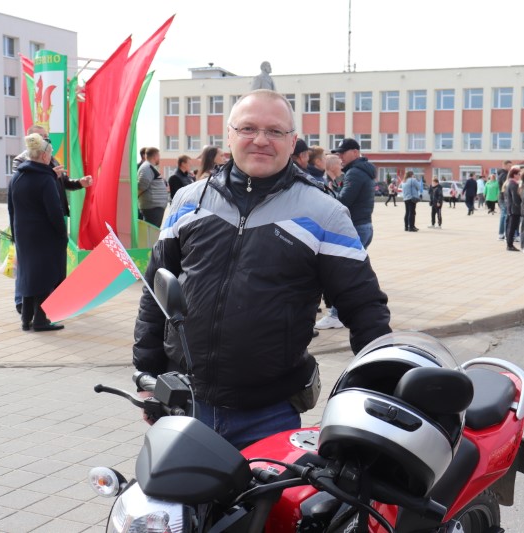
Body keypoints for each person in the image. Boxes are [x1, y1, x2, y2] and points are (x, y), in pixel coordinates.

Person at [133, 90, 391, 448]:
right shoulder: (188, 201)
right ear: (229, 135)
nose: (260, 140)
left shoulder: (325, 213)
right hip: (183, 402)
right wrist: (146, 375)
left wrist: (382, 386)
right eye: (248, 128)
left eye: (275, 131)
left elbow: (364, 308)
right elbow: (155, 291)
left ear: (292, 141)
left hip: (269, 414)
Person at [12, 124, 93, 314]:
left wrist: (79, 183)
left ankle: (49, 304)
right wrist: (49, 175)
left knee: (49, 264)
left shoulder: (51, 158)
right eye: (41, 136)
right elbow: (23, 186)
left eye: (46, 136)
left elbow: (63, 181)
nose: (45, 140)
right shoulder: (22, 160)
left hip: (53, 215)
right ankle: (23, 304)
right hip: (34, 221)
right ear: (31, 139)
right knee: (29, 266)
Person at [315, 138, 377, 330]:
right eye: (339, 153)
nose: (340, 156)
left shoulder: (355, 173)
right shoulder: (361, 171)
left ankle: (336, 315)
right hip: (363, 225)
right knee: (353, 273)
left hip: (354, 227)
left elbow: (343, 201)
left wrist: (327, 189)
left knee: (343, 274)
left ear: (356, 152)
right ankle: (357, 310)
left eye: (343, 152)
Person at [8, 133, 67, 332]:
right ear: (43, 156)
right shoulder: (45, 179)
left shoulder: (17, 177)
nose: (51, 157)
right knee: (45, 277)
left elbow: (11, 209)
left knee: (28, 275)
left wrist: (15, 235)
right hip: (44, 237)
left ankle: (26, 320)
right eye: (50, 154)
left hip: (23, 236)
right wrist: (62, 234)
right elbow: (55, 211)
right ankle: (41, 321)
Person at [138, 147, 168, 226]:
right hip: (152, 208)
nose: (159, 158)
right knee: (152, 231)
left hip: (154, 207)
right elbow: (142, 186)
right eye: (159, 156)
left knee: (153, 231)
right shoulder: (147, 167)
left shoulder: (149, 167)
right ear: (155, 156)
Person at [505, 167, 522, 251]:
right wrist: (521, 207)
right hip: (514, 209)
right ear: (514, 175)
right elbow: (515, 199)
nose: (520, 176)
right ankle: (510, 245)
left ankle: (510, 244)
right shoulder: (513, 184)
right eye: (519, 174)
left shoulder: (512, 183)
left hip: (512, 208)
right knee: (512, 227)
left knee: (512, 227)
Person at [497, 160, 512, 240]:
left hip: (503, 197)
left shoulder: (504, 174)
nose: (510, 167)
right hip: (504, 197)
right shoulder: (504, 175)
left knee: (504, 215)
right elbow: (505, 187)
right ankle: (503, 234)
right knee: (505, 215)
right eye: (509, 166)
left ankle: (502, 234)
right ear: (504, 165)